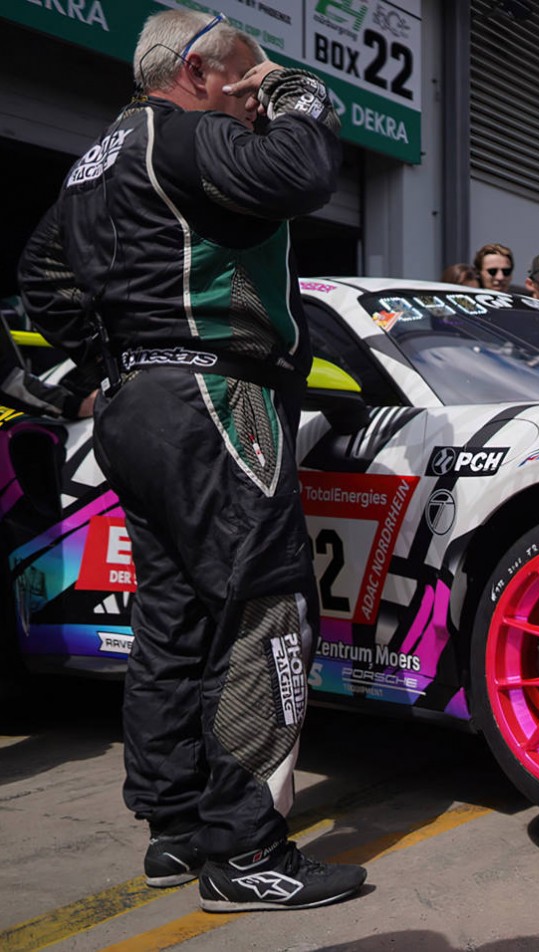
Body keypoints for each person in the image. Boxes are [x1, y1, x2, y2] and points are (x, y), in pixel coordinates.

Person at [16, 9, 365, 909]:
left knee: (174, 621)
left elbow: (42, 271)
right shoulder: (188, 130)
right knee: (266, 611)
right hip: (212, 398)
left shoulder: (101, 154)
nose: (255, 102)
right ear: (203, 74)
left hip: (141, 408)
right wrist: (300, 93)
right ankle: (247, 853)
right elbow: (298, 173)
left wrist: (102, 369)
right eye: (247, 82)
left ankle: (176, 831)